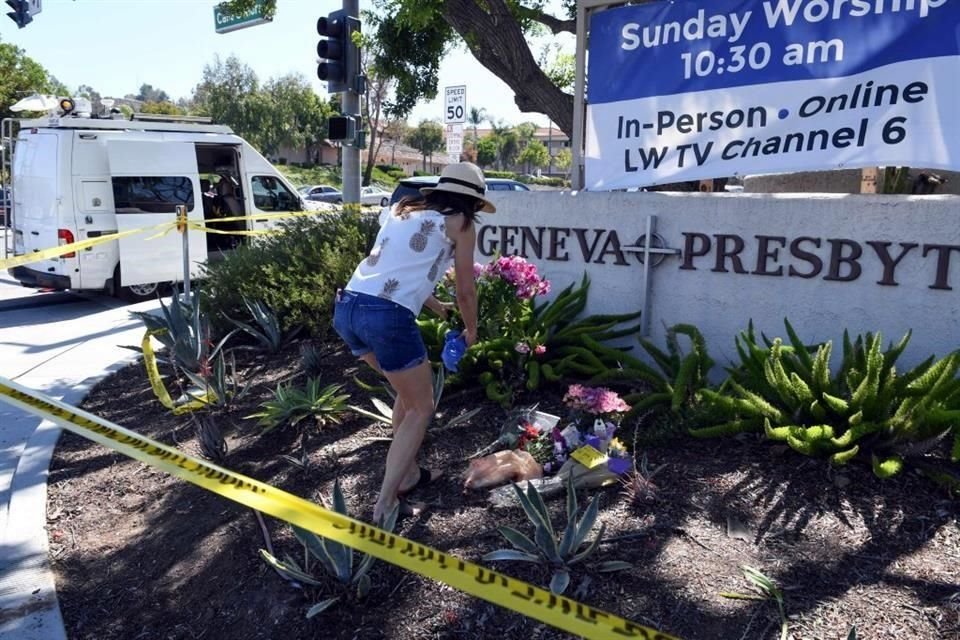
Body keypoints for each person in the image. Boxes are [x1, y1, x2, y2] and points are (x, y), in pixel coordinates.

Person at [333, 162, 496, 523]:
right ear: (471, 202)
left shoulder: (401, 209)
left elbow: (395, 266)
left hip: (348, 308)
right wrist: (472, 330)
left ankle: (407, 474)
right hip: (386, 318)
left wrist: (436, 305)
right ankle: (386, 502)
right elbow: (466, 290)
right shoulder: (462, 224)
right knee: (422, 407)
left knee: (407, 396)